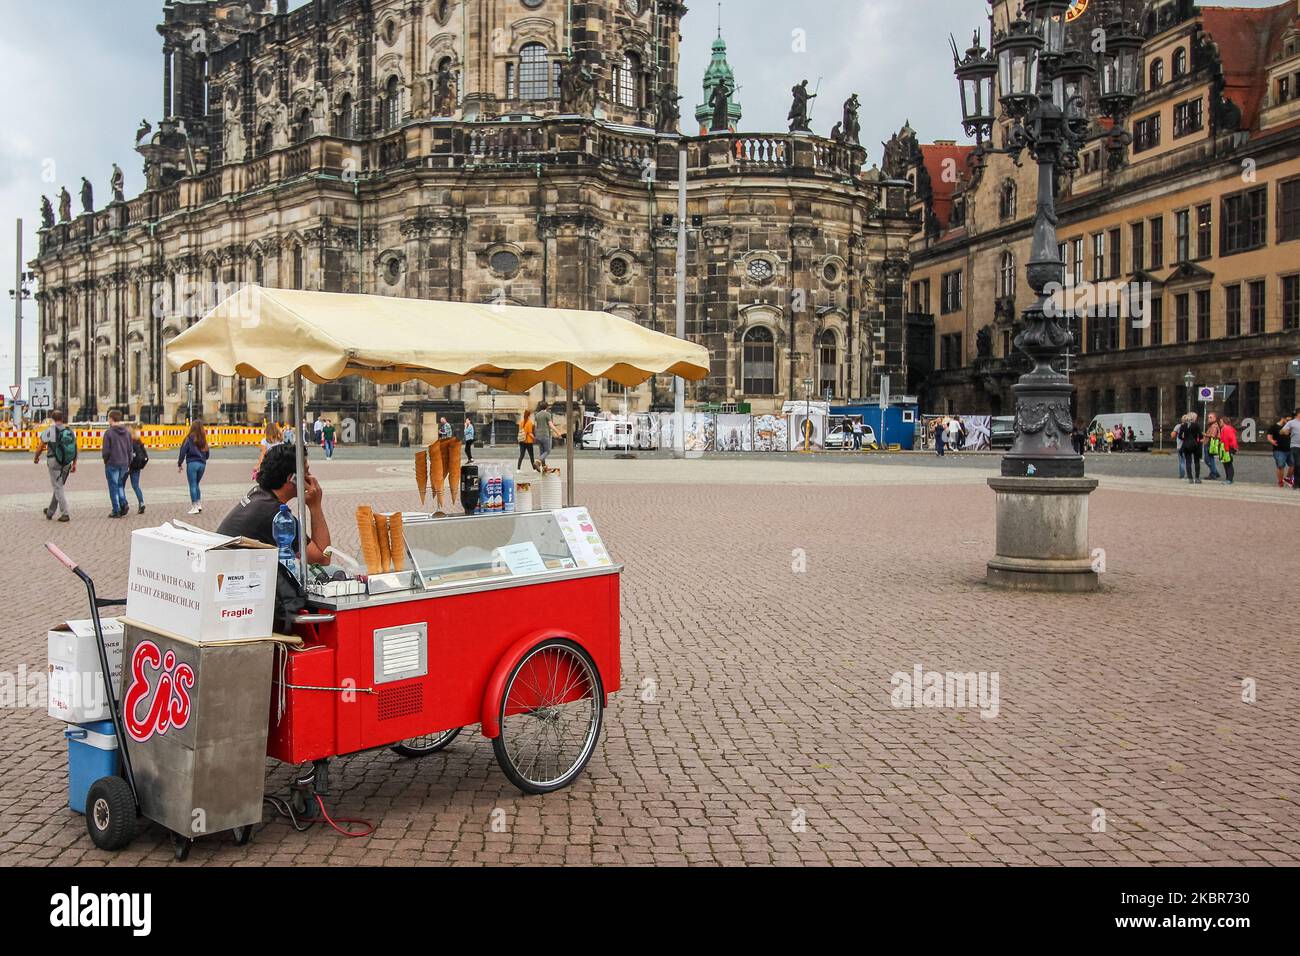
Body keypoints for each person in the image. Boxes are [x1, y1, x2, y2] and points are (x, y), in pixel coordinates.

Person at [217, 443, 332, 565]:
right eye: (307, 471)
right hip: (234, 577)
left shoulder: (258, 494)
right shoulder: (277, 515)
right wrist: (315, 506)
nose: (309, 476)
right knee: (331, 570)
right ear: (292, 478)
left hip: (225, 569)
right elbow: (323, 557)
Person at [34, 409, 76, 522]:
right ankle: (50, 511)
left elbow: (40, 446)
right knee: (59, 486)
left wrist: (36, 457)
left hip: (54, 461)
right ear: (62, 418)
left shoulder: (50, 431)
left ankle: (65, 513)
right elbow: (75, 447)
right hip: (67, 463)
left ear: (52, 419)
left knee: (58, 487)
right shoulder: (69, 431)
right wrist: (74, 463)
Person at [102, 409, 133, 518]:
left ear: (111, 419)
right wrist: (129, 462)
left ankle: (116, 509)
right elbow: (130, 449)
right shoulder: (127, 432)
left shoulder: (109, 433)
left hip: (112, 463)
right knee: (120, 485)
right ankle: (123, 503)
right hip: (124, 463)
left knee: (113, 487)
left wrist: (106, 460)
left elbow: (106, 451)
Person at [177, 421, 210, 515]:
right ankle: (199, 504)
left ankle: (194, 506)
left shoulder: (188, 438)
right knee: (196, 484)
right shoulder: (203, 439)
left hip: (192, 463)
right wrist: (203, 459)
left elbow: (183, 451)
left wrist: (180, 463)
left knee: (192, 485)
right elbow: (207, 453)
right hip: (202, 464)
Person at [127, 424, 149, 515]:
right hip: (137, 466)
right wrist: (142, 465)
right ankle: (141, 502)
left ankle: (122, 504)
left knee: (120, 485)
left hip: (128, 466)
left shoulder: (128, 442)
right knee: (136, 485)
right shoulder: (139, 442)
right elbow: (145, 456)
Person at [1267, 413, 1293, 488]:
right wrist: (1271, 441)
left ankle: (1287, 478)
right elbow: (1269, 436)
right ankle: (1280, 481)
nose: (1289, 422)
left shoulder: (1290, 427)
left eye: (1290, 420)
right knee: (1280, 466)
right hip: (1279, 450)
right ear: (1283, 418)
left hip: (1290, 449)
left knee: (1293, 465)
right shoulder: (1274, 427)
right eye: (1288, 420)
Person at [1177, 412, 1203, 484]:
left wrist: (1185, 439)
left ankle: (1190, 478)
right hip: (1195, 445)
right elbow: (1200, 436)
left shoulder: (1183, 426)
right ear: (1193, 418)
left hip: (1186, 446)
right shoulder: (1196, 425)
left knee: (1188, 461)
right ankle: (1197, 478)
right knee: (1196, 461)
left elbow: (1179, 436)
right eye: (1196, 417)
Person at [535, 402, 560, 471]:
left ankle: (543, 466)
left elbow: (536, 426)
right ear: (547, 407)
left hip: (538, 435)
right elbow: (551, 425)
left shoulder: (537, 415)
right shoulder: (547, 414)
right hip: (545, 435)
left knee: (542, 451)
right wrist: (558, 432)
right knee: (547, 451)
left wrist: (536, 435)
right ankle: (538, 461)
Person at [1282, 410, 1300, 492]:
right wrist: (1285, 431)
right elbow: (1283, 430)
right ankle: (1296, 483)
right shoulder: (1291, 422)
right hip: (1295, 446)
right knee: (1297, 464)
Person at [1217, 415, 1238, 484]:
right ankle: (1228, 478)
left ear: (1224, 421)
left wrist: (1227, 449)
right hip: (1226, 448)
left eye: (1220, 421)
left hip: (1227, 448)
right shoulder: (1225, 428)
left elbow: (1228, 439)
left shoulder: (1226, 428)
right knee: (1226, 464)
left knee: (1228, 464)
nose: (1219, 422)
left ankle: (1229, 479)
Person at [1202, 412, 1222, 480]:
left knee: (1208, 460)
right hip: (1208, 444)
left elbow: (1213, 435)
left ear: (1215, 418)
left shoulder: (1214, 426)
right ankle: (1214, 473)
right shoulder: (1211, 425)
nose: (1209, 419)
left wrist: (1205, 434)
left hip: (1210, 444)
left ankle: (1214, 473)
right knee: (1210, 460)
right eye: (1208, 417)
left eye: (1211, 417)